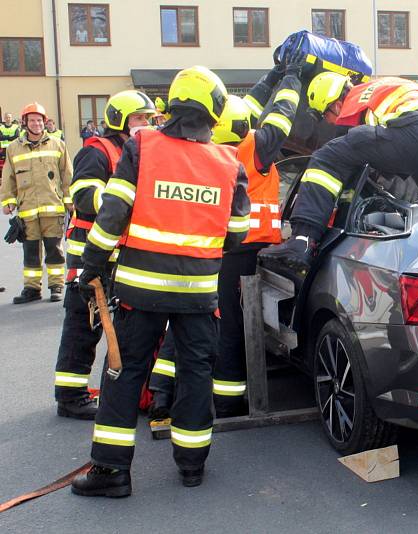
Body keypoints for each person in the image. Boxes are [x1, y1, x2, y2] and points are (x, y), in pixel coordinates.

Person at [70, 66, 250, 497]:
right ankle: (192, 465)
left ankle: (112, 473)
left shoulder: (142, 147)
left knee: (124, 372)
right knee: (194, 374)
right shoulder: (229, 163)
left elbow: (113, 212)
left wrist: (91, 265)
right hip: (199, 296)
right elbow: (237, 231)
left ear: (172, 104)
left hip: (140, 292)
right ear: (214, 111)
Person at [149, 44, 305, 419]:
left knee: (187, 320)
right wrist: (292, 78)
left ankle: (159, 393)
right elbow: (281, 116)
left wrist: (271, 77)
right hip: (245, 252)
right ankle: (229, 401)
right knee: (234, 326)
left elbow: (246, 107)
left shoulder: (206, 152)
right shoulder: (253, 149)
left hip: (207, 250)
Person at [258, 73, 418, 277]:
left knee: (326, 157)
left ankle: (302, 239)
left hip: (416, 132)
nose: (329, 122)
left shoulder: (354, 101)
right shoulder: (379, 88)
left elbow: (348, 157)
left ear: (336, 104)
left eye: (325, 115)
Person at [54, 90, 157, 420]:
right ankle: (70, 395)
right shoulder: (97, 152)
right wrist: (116, 201)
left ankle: (127, 390)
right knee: (84, 326)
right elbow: (83, 195)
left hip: (117, 254)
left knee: (119, 328)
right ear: (121, 120)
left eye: (149, 118)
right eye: (140, 118)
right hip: (87, 254)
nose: (146, 124)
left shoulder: (137, 152)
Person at [1, 103, 72, 304]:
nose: (37, 123)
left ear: (44, 122)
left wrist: (70, 202)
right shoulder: (14, 148)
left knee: (54, 250)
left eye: (40, 120)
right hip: (28, 209)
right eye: (32, 120)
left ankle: (56, 286)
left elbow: (67, 175)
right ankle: (32, 289)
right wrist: (8, 201)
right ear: (25, 123)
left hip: (53, 208)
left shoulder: (58, 144)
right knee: (30, 252)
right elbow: (8, 177)